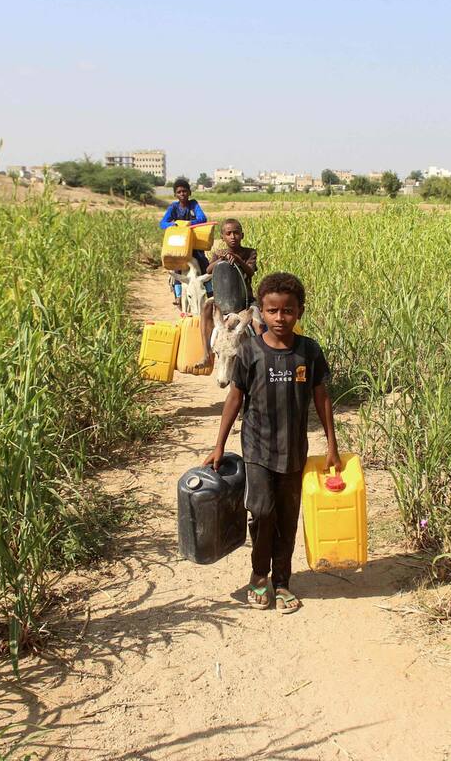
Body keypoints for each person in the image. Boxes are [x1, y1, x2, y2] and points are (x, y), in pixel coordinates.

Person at [204, 273, 341, 614]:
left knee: (287, 516)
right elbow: (235, 398)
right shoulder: (250, 350)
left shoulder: (309, 351)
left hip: (293, 451)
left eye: (288, 311)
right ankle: (258, 572)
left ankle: (281, 581)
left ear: (300, 312)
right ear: (261, 312)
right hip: (258, 449)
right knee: (262, 512)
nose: (280, 318)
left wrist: (332, 445)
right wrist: (219, 444)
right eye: (272, 311)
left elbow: (322, 398)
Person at [197, 218, 258, 367]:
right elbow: (208, 270)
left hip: (245, 299)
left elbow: (250, 272)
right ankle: (206, 354)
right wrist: (221, 260)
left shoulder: (250, 252)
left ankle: (261, 356)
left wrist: (237, 259)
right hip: (222, 300)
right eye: (228, 233)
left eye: (236, 233)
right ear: (222, 237)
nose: (232, 237)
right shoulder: (219, 254)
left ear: (242, 235)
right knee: (205, 308)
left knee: (258, 321)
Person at [161, 178, 210, 304]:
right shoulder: (173, 207)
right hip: (180, 243)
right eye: (179, 192)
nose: (182, 194)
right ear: (175, 194)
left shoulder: (193, 204)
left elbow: (202, 218)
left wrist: (189, 223)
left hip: (193, 243)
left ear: (189, 193)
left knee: (204, 263)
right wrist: (173, 225)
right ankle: (178, 296)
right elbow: (162, 223)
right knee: (177, 267)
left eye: (184, 191)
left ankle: (210, 291)